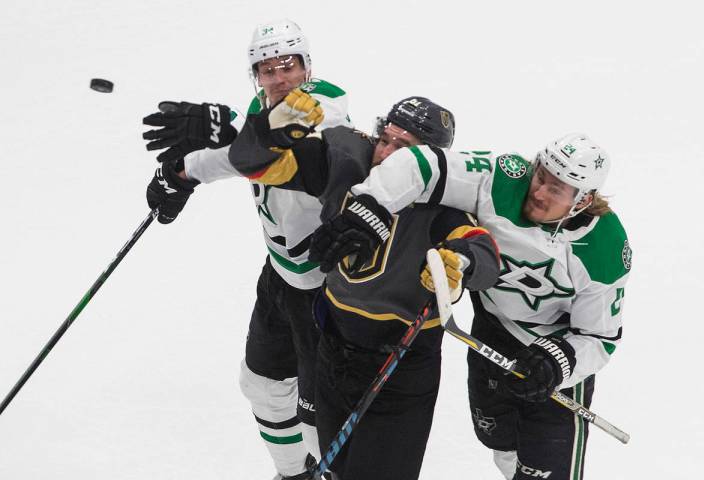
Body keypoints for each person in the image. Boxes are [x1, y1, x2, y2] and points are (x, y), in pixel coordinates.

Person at [310, 133, 631, 480]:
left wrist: (560, 361)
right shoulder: (501, 179)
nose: (538, 192)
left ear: (582, 200)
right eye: (541, 177)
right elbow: (420, 163)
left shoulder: (605, 247)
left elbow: (599, 337)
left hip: (552, 359)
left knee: (548, 468)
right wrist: (372, 207)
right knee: (500, 440)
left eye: (556, 190)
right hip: (490, 335)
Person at [229, 91, 501, 480]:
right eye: (385, 139)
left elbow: (485, 253)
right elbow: (254, 162)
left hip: (399, 366)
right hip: (335, 351)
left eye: (403, 148)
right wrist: (271, 127)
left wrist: (459, 262)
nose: (385, 154)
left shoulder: (444, 208)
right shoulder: (349, 168)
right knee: (333, 469)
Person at [141, 19, 352, 480]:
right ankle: (292, 474)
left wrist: (230, 126)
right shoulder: (263, 112)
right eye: (266, 69)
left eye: (287, 66)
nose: (278, 78)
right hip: (280, 276)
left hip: (328, 293)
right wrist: (181, 173)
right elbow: (247, 151)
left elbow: (286, 142)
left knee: (324, 423)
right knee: (261, 386)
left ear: (306, 67)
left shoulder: (327, 105)